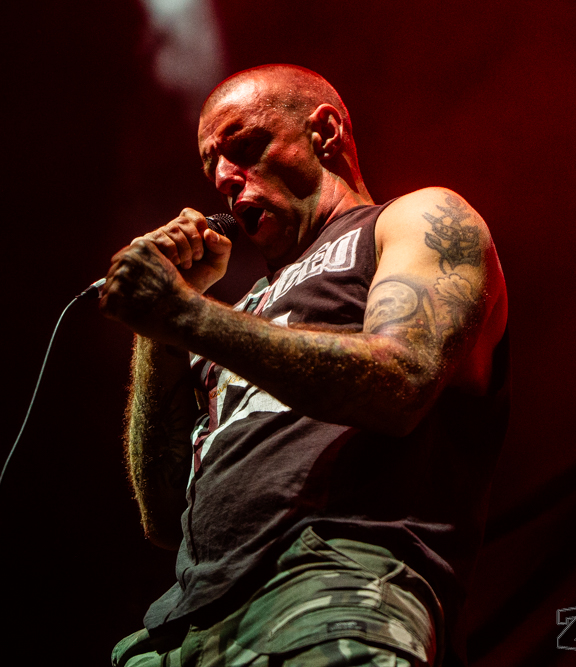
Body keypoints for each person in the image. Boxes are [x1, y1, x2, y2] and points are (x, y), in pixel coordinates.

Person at [100, 64, 509, 667]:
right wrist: (157, 331)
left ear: (325, 132)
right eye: (213, 168)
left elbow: (402, 380)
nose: (224, 178)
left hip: (333, 583)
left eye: (243, 147)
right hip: (181, 627)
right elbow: (164, 518)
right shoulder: (238, 311)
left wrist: (183, 315)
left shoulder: (413, 220)